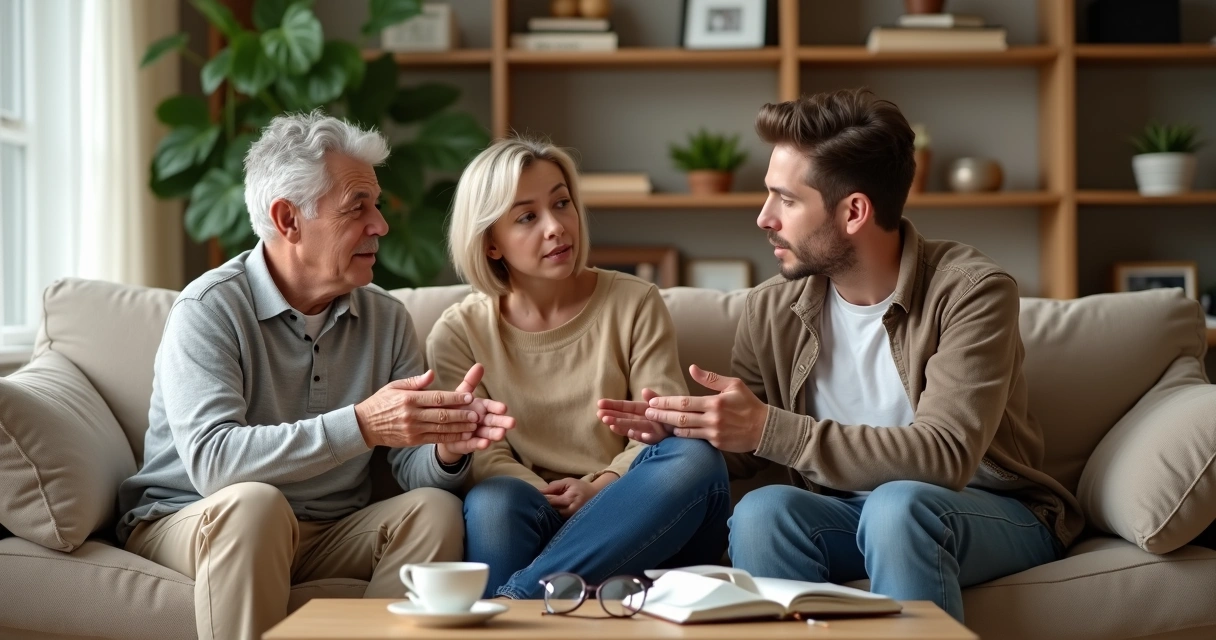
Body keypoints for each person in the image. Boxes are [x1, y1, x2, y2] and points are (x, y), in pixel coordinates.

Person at [597, 89, 1083, 622]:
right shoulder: (770, 309)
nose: (763, 218)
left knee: (898, 508)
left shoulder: (971, 292)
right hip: (845, 512)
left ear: (854, 211)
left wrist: (766, 429)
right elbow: (754, 441)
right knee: (763, 511)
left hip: (985, 512)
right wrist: (686, 427)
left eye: (786, 200)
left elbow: (945, 455)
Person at [116, 110, 514, 640]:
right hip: (195, 519)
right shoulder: (209, 308)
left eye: (376, 205)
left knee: (435, 510)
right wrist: (363, 424)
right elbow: (214, 464)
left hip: (329, 529)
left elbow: (408, 469)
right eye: (358, 208)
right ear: (288, 220)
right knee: (256, 505)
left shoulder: (386, 317)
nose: (381, 224)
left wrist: (447, 448)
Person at [429, 136, 730, 599]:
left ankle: (515, 603)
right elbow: (483, 453)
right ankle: (552, 588)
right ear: (491, 244)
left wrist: (604, 487)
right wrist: (548, 495)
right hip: (531, 510)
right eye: (528, 216)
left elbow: (658, 421)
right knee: (493, 500)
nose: (556, 227)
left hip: (635, 514)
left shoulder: (635, 302)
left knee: (695, 458)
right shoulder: (458, 332)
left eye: (562, 203)